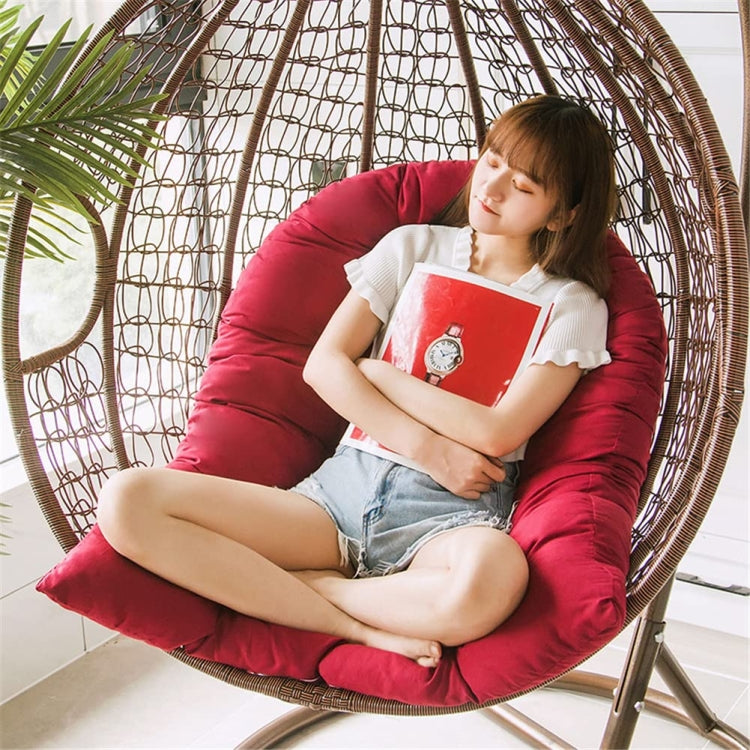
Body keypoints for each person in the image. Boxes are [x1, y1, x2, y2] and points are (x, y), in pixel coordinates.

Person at [97, 95, 617, 669]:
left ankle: (316, 589)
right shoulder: (411, 246)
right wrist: (430, 447)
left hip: (450, 517)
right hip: (335, 498)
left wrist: (378, 372)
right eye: (491, 161)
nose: (489, 189)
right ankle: (352, 624)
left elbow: (498, 433)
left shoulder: (572, 304)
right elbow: (324, 367)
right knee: (128, 500)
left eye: (522, 187)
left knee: (493, 576)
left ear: (562, 215)